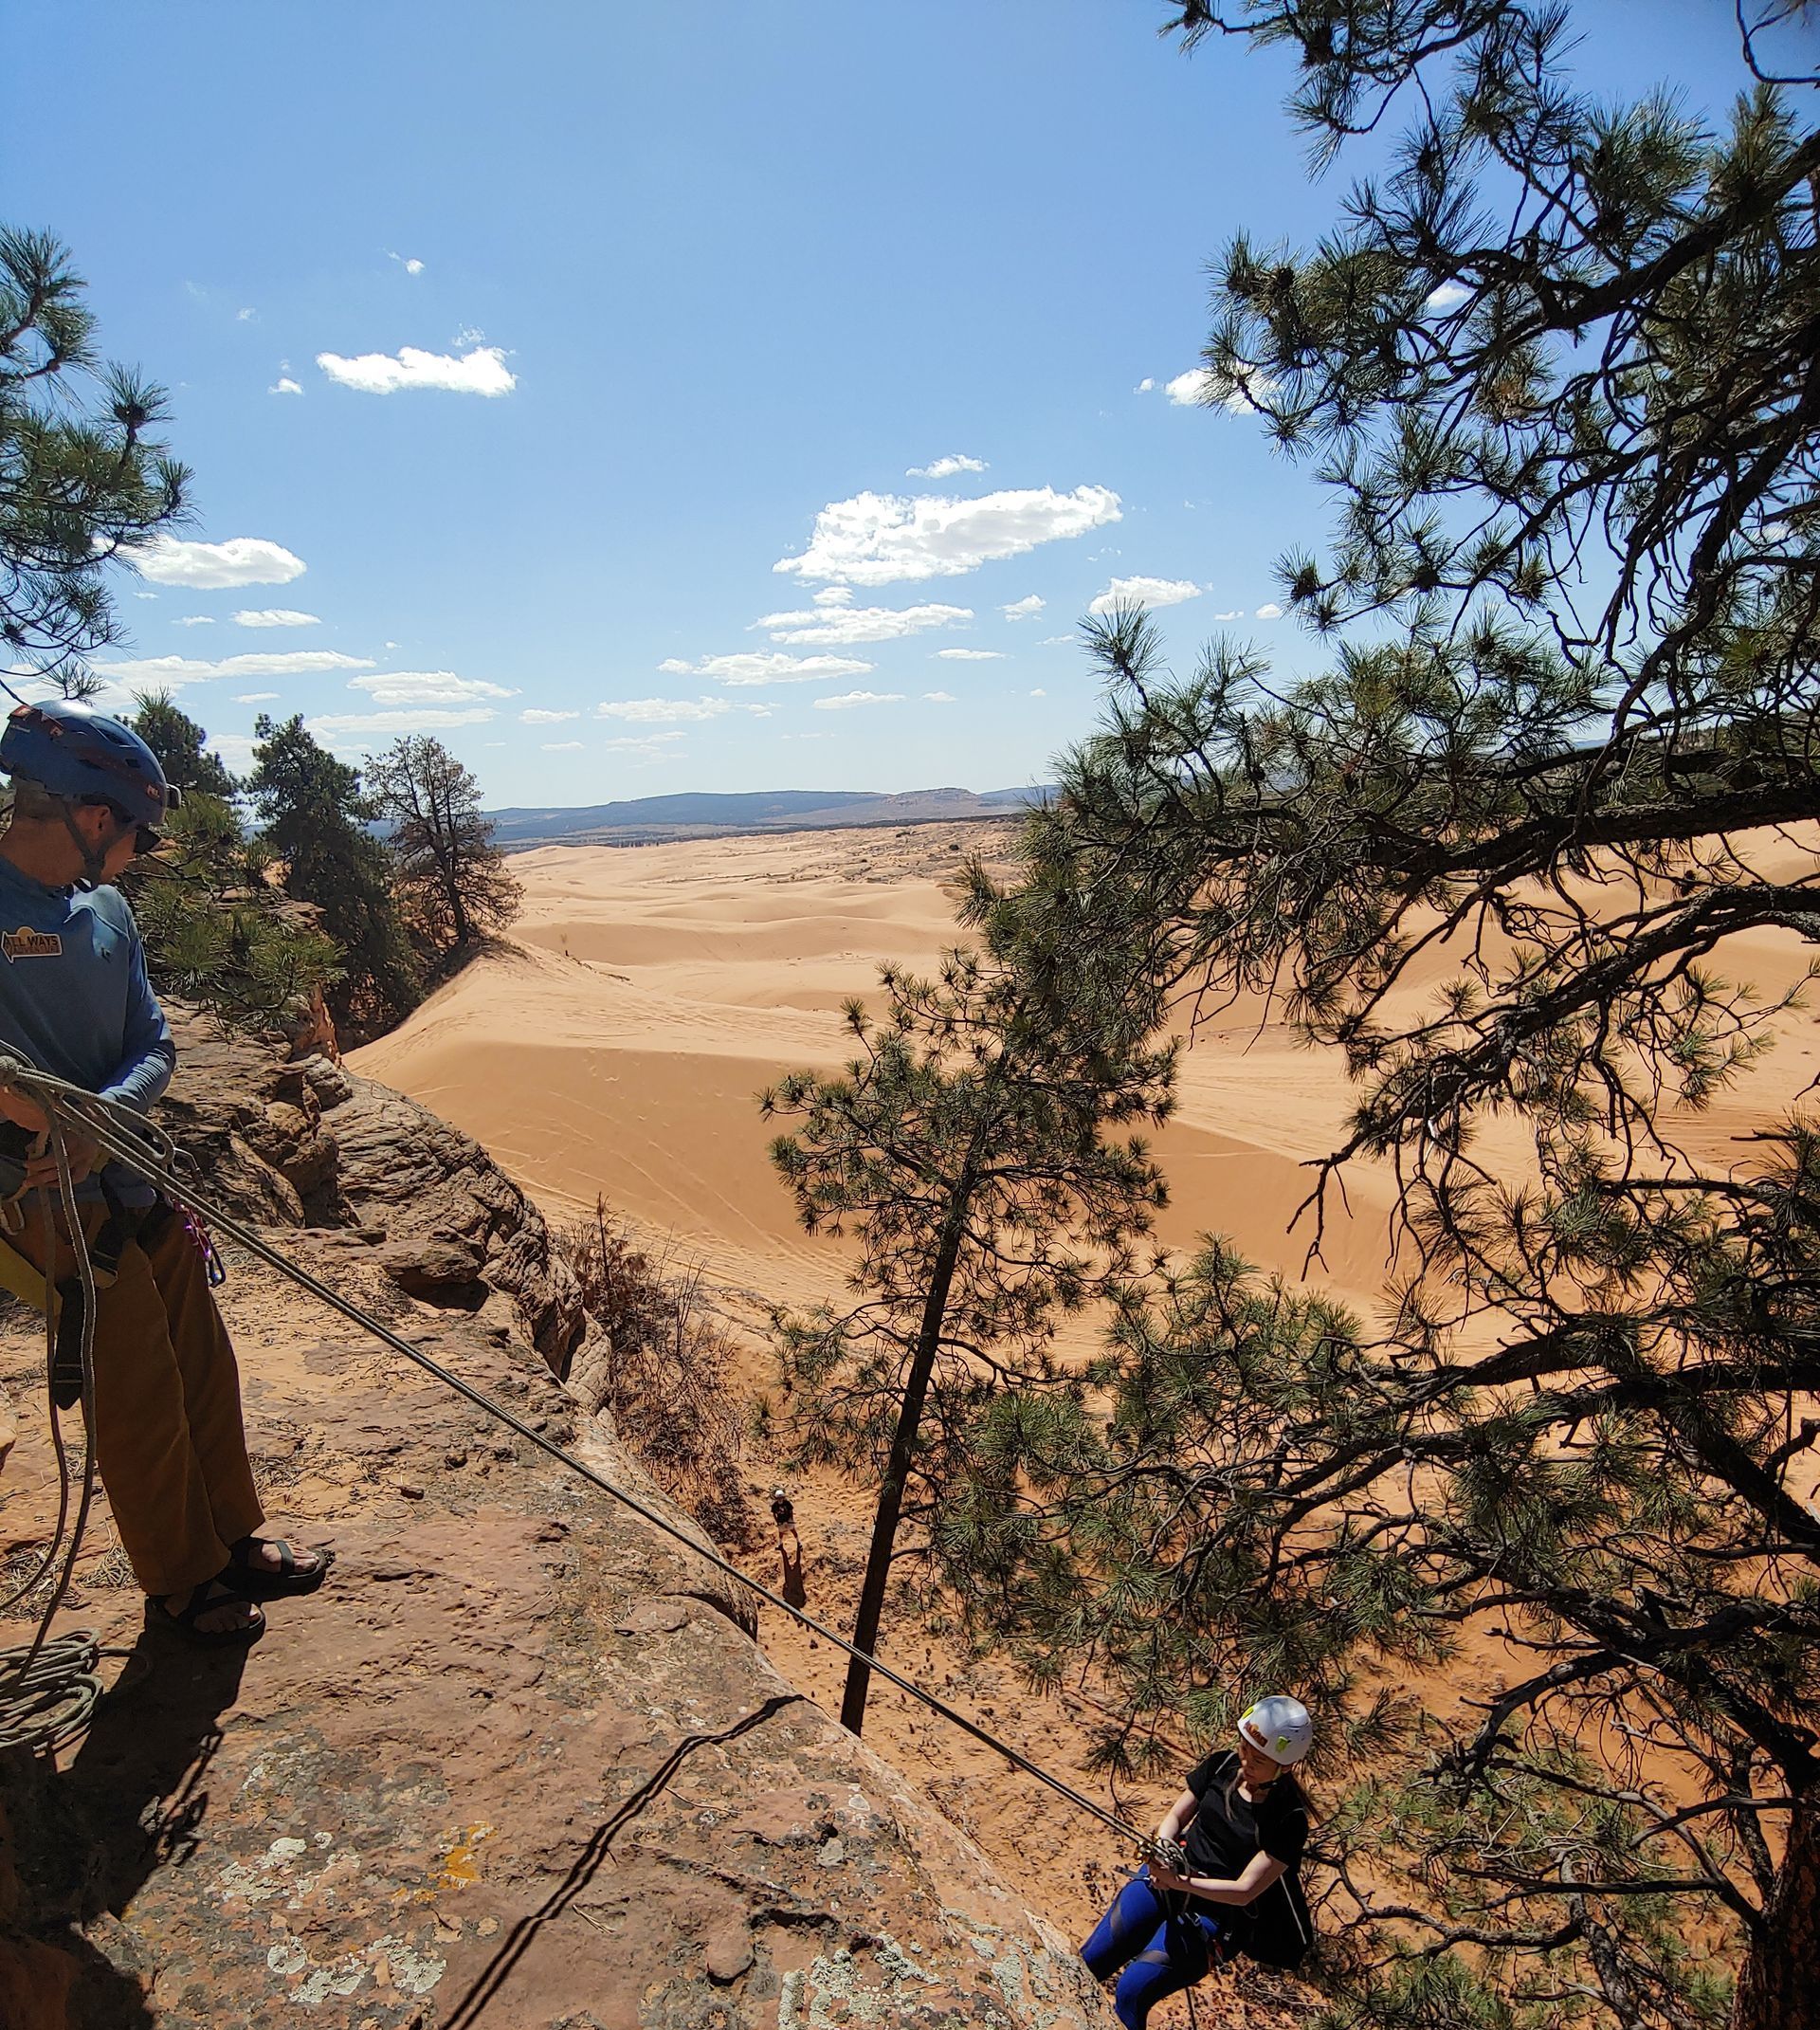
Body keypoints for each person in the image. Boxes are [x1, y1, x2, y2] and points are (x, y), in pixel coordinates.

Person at [0, 698, 330, 1645]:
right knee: (134, 1377)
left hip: (128, 1173)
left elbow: (154, 1038)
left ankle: (230, 1535)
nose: (139, 852)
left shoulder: (105, 912)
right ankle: (182, 1581)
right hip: (45, 1196)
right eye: (138, 833)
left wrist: (109, 1115)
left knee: (198, 1359)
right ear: (92, 815)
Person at [1081, 1694, 1315, 2028]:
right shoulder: (1222, 1765)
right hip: (1168, 1880)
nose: (1246, 1761)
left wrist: (1179, 1881)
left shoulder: (1288, 1820)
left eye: (1258, 1759)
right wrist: (1163, 1847)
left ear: (1285, 1767)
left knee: (1133, 1991)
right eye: (1244, 1747)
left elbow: (1244, 1890)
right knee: (1090, 1961)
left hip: (1214, 1918)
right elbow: (1176, 1816)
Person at [770, 1487, 808, 1609]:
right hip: (781, 1521)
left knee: (793, 1532)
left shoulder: (787, 1504)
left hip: (788, 1520)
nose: (780, 1500)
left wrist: (791, 1519)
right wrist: (777, 1522)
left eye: (781, 1498)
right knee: (781, 1534)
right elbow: (774, 1514)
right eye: (779, 1498)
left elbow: (791, 1511)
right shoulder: (775, 1505)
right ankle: (780, 1544)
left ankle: (798, 1542)